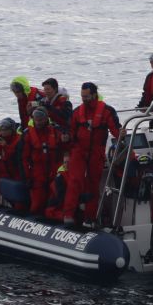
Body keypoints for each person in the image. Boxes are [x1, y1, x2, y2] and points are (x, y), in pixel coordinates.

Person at [62, 82, 121, 226]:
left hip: (96, 152)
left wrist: (121, 134)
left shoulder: (107, 111)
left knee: (93, 185)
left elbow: (116, 131)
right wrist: (66, 147)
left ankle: (90, 217)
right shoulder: (77, 112)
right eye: (82, 96)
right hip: (79, 151)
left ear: (94, 95)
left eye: (86, 96)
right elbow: (70, 133)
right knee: (74, 181)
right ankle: (68, 216)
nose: (84, 99)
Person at [21, 107, 66, 216]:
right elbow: (24, 158)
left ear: (46, 118)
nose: (39, 122)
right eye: (36, 119)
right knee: (37, 204)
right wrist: (27, 177)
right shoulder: (28, 135)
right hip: (37, 175)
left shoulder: (56, 132)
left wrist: (66, 139)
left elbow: (65, 149)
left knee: (53, 203)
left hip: (53, 174)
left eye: (41, 119)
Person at [0, 117, 23, 186]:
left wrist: (6, 147)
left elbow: (17, 158)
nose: (3, 131)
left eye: (6, 129)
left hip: (15, 175)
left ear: (12, 130)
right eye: (1, 129)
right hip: (2, 174)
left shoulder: (19, 140)